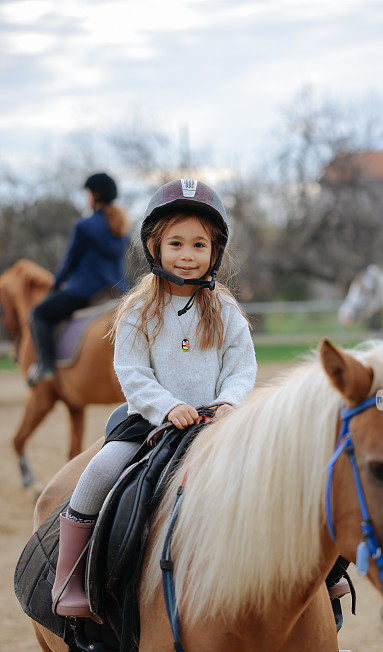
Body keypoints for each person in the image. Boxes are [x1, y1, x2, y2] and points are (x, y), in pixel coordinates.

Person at [51, 178, 257, 618]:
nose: (187, 255)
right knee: (99, 472)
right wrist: (167, 406)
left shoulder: (226, 312)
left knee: (280, 467)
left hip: (217, 422)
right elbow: (132, 372)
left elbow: (242, 368)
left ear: (214, 252)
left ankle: (324, 573)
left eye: (199, 245)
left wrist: (228, 404)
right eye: (176, 243)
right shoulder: (137, 309)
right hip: (150, 420)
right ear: (154, 247)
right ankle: (70, 577)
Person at [28, 173, 129, 386]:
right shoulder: (120, 227)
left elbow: (70, 262)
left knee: (38, 313)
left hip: (85, 292)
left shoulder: (84, 226)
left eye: (88, 193)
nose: (86, 197)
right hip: (116, 291)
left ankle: (46, 366)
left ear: (95, 195)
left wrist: (55, 286)